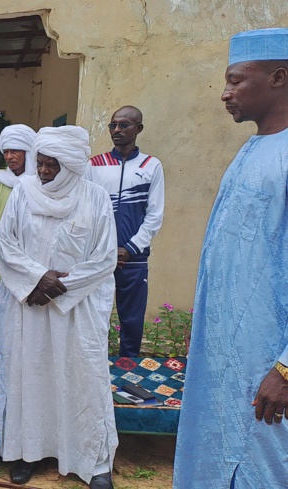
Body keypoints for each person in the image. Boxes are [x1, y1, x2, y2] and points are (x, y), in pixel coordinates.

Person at [174, 28, 288, 488]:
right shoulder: (252, 149)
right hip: (226, 359)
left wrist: (285, 369)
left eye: (235, 80)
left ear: (279, 78)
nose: (224, 93)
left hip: (268, 368)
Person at [0, 126, 118, 489]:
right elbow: (5, 244)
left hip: (77, 310)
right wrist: (36, 279)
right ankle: (26, 452)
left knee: (84, 378)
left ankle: (94, 461)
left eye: (52, 165)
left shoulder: (95, 198)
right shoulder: (23, 191)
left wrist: (56, 288)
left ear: (72, 166)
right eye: (41, 163)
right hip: (29, 306)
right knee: (28, 376)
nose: (44, 171)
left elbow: (104, 258)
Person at [86, 106, 165, 357]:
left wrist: (130, 249)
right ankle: (93, 366)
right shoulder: (94, 165)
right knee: (93, 317)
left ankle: (129, 370)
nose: (117, 130)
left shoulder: (151, 165)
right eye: (113, 125)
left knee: (131, 321)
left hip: (134, 259)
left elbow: (154, 215)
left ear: (138, 128)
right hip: (99, 256)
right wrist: (105, 249)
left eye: (124, 125)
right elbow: (87, 211)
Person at [0, 124, 37, 351]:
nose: (9, 156)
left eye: (15, 151)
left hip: (32, 263)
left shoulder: (40, 184)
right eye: (6, 151)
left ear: (28, 152)